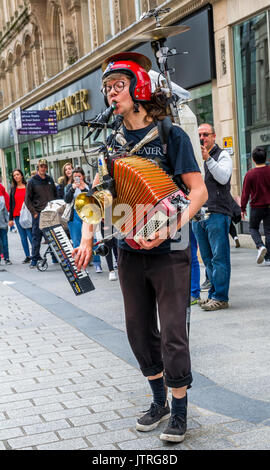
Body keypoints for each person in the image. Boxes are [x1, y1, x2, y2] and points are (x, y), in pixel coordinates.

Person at [72, 52, 207, 443]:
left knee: (173, 334)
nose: (110, 93)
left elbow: (197, 192)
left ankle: (179, 409)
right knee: (137, 330)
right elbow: (99, 199)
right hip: (129, 248)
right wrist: (85, 238)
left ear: (138, 87)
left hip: (170, 247)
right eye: (107, 88)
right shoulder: (110, 145)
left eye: (117, 85)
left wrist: (169, 228)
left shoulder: (170, 134)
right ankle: (158, 399)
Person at [192, 123, 232, 311]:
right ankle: (213, 294)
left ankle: (221, 296)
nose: (202, 138)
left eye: (206, 135)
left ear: (214, 136)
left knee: (219, 257)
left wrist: (208, 159)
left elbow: (223, 178)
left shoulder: (222, 155)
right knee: (207, 258)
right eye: (199, 135)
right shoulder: (194, 156)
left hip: (217, 212)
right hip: (199, 214)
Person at [25, 158, 57, 268]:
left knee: (52, 237)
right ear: (38, 167)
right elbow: (27, 200)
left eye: (44, 166)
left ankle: (54, 257)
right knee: (36, 237)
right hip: (38, 214)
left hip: (51, 213)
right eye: (41, 166)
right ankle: (34, 259)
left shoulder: (50, 179)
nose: (43, 168)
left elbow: (55, 194)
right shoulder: (32, 181)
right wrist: (34, 213)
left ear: (46, 167)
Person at [241, 146, 270, 265]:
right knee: (269, 231)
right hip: (269, 206)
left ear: (253, 159)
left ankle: (260, 245)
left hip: (256, 207)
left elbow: (245, 193)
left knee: (253, 228)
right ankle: (268, 257)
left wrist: (242, 208)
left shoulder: (250, 174)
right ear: (266, 158)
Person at [8, 169, 32, 263]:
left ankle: (35, 254)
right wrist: (10, 219)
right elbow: (11, 203)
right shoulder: (13, 189)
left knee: (30, 235)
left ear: (22, 175)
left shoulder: (28, 186)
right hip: (17, 215)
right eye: (14, 175)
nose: (16, 176)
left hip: (28, 215)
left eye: (18, 174)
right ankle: (27, 256)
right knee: (23, 237)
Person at [0, 194, 12, 264]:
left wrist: (8, 222)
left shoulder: (2, 204)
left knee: (5, 243)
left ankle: (6, 258)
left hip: (3, 226)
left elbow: (6, 215)